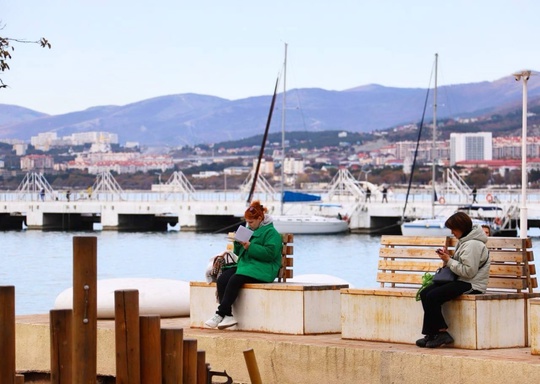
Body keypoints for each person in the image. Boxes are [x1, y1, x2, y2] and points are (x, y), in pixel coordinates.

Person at [205, 200, 283, 329]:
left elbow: (270, 254)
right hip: (248, 266)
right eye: (247, 222)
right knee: (224, 277)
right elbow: (238, 253)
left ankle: (219, 313)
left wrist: (250, 246)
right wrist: (238, 243)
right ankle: (228, 316)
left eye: (251, 222)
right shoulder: (248, 230)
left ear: (259, 218)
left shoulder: (271, 233)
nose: (249, 225)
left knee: (235, 279)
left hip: (264, 269)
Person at [416, 212, 490, 348]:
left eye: (453, 229)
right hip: (461, 280)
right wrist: (448, 258)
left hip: (471, 284)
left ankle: (442, 332)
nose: (452, 232)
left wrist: (448, 261)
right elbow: (462, 265)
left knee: (433, 296)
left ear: (460, 227)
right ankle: (432, 334)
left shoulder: (472, 244)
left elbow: (469, 272)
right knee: (425, 293)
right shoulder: (465, 241)